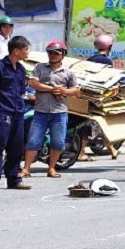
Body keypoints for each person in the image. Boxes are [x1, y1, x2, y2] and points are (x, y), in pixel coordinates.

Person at [21, 41, 79, 179]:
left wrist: (64, 90)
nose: (52, 55)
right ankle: (26, 168)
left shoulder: (68, 72)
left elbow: (76, 90)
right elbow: (33, 83)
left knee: (58, 142)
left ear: (62, 55)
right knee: (34, 141)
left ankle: (52, 168)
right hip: (40, 111)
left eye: (56, 53)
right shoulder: (39, 67)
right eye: (50, 52)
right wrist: (52, 89)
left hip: (59, 112)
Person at [0, 35, 32, 191]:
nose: (28, 53)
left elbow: (21, 91)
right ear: (16, 51)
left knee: (16, 148)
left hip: (18, 113)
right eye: (26, 49)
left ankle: (14, 178)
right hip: (1, 113)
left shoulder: (22, 69)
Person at [77, 34, 119, 161]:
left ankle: (112, 149)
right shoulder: (107, 61)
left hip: (86, 95)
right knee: (97, 122)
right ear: (109, 47)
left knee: (92, 123)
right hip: (98, 97)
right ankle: (81, 152)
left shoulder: (90, 59)